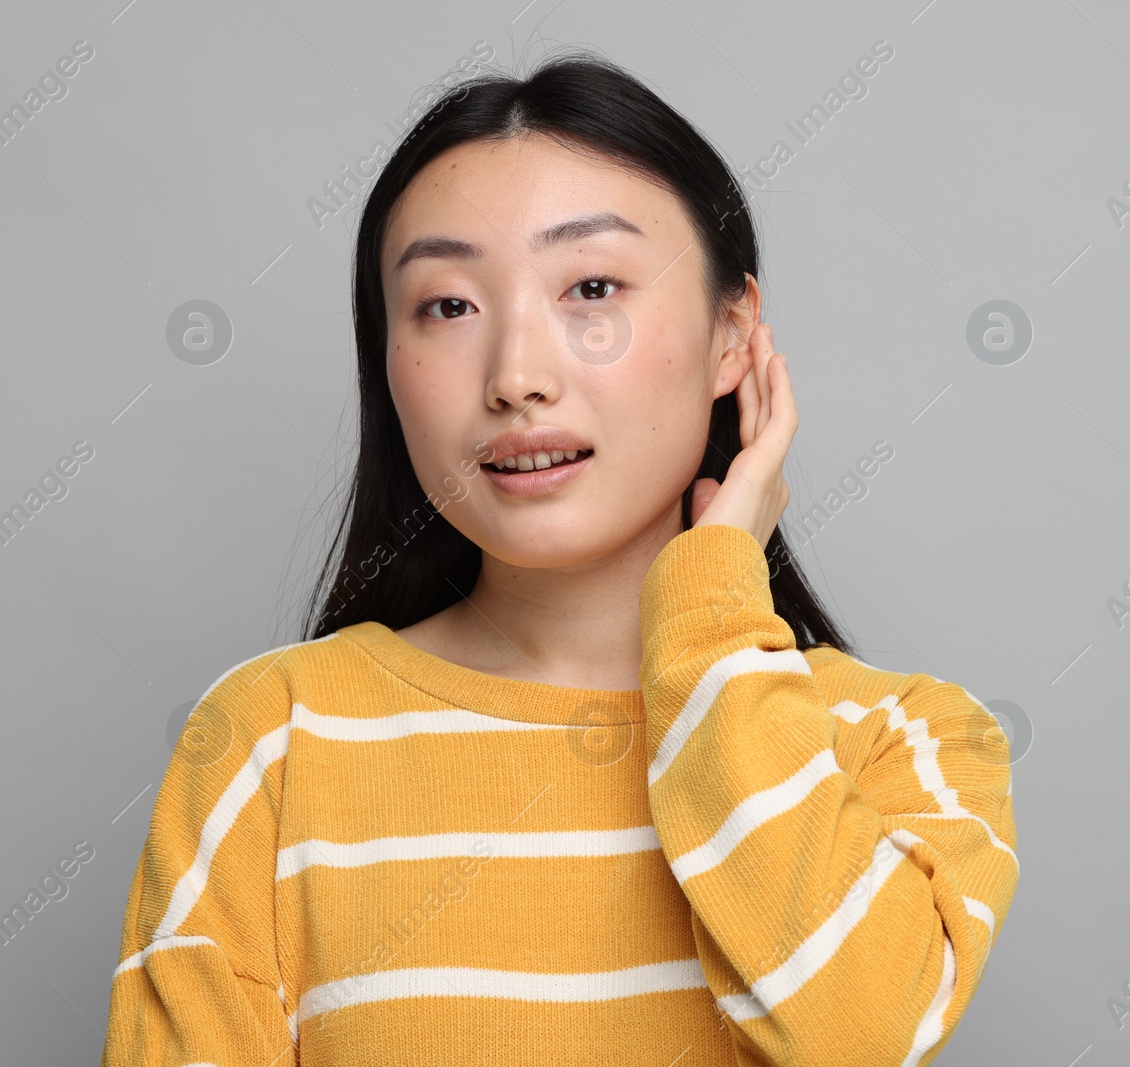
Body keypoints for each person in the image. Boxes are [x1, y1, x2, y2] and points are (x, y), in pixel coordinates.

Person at [101, 48, 1018, 1067]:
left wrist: (714, 608)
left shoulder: (903, 738)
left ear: (731, 332)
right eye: (448, 305)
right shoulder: (268, 738)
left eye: (590, 285)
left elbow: (856, 1034)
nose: (517, 376)